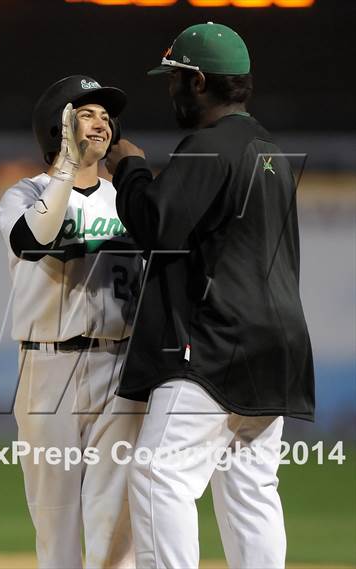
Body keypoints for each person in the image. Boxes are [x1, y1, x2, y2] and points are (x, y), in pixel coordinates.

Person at [106, 23, 315, 569]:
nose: (170, 90)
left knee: (158, 473)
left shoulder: (209, 145)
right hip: (277, 349)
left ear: (198, 81)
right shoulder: (269, 149)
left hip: (217, 345)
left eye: (175, 79)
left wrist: (128, 167)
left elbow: (155, 224)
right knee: (251, 492)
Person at [0, 75, 144, 569]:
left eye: (106, 115)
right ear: (56, 126)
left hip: (118, 369)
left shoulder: (127, 195)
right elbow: (34, 240)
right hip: (48, 369)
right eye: (86, 113)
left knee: (117, 524)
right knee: (56, 524)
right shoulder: (25, 193)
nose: (101, 121)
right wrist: (64, 166)